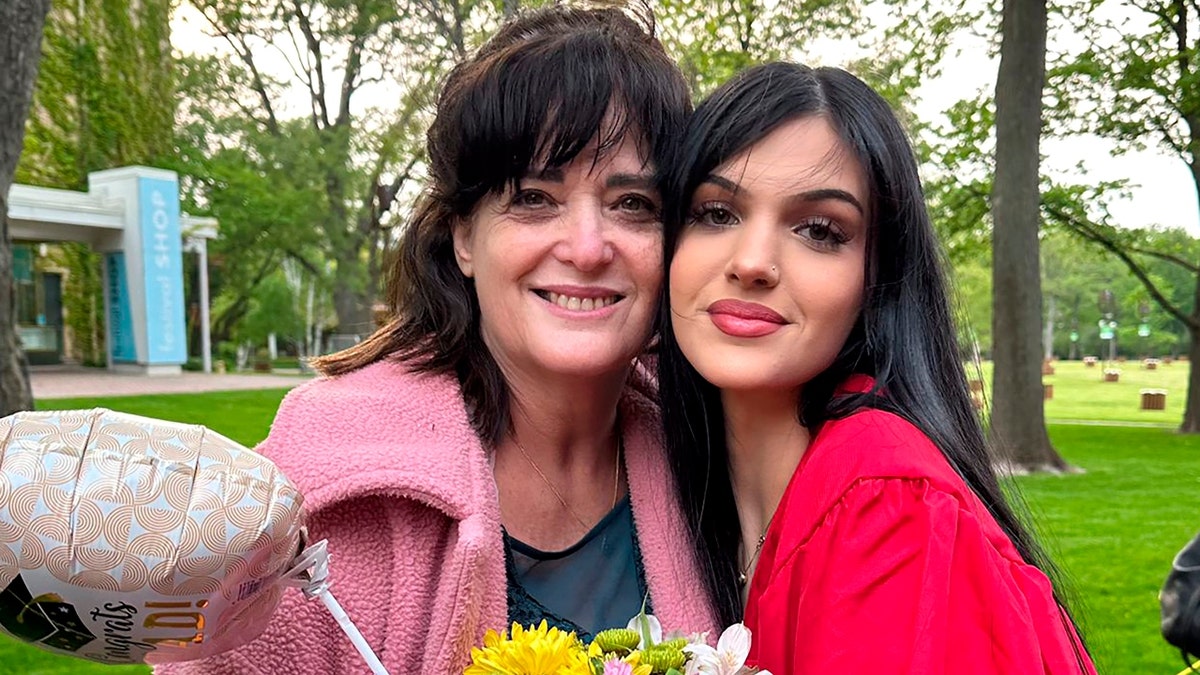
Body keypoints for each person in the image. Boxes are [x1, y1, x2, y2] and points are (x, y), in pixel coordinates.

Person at [159, 6, 715, 674]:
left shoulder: (713, 454)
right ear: (462, 238)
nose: (589, 248)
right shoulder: (323, 501)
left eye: (633, 205)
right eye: (535, 198)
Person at [657, 62, 1098, 673]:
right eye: (715, 213)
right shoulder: (677, 493)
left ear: (876, 280)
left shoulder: (887, 511)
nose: (753, 262)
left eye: (818, 230)